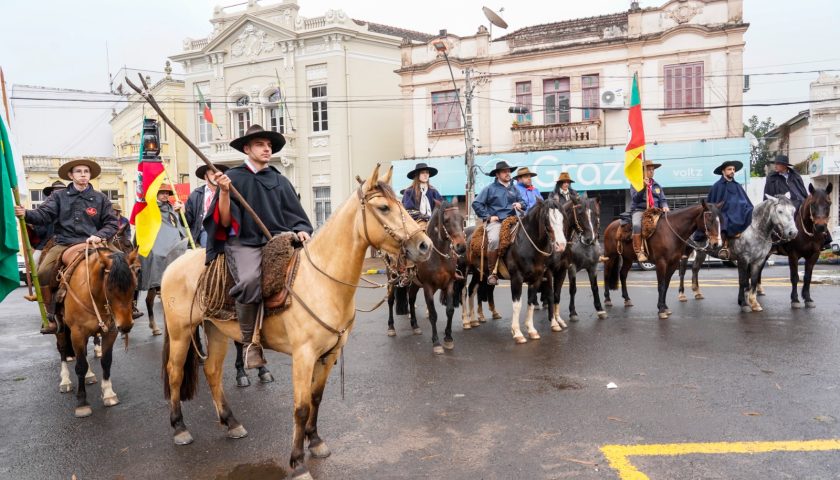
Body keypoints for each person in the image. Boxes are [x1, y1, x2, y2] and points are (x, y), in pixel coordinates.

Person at [204, 125, 313, 369]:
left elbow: (295, 214)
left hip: (279, 240)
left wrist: (301, 229)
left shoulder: (280, 180)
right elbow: (223, 222)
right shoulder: (234, 178)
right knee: (249, 280)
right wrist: (224, 192)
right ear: (247, 149)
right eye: (260, 144)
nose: (266, 149)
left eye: (269, 145)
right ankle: (250, 343)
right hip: (244, 241)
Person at [14, 159, 118, 334]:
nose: (83, 174)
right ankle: (51, 316)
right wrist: (26, 213)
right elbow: (43, 215)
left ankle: (128, 307)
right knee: (43, 273)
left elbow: (112, 223)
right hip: (64, 243)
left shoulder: (100, 198)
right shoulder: (58, 197)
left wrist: (99, 235)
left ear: (90, 175)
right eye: (78, 171)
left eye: (86, 171)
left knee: (126, 264)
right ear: (71, 175)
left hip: (95, 242)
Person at [472, 161, 524, 285]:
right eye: (504, 171)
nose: (508, 173)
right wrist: (488, 217)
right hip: (497, 222)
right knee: (494, 240)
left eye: (509, 171)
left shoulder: (514, 188)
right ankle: (492, 273)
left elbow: (523, 202)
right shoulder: (489, 189)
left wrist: (520, 204)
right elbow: (476, 203)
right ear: (497, 174)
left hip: (514, 220)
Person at [136, 184, 186, 294]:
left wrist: (181, 212)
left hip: (172, 236)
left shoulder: (172, 207)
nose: (165, 195)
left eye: (167, 193)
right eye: (162, 193)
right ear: (157, 194)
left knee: (182, 253)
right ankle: (157, 283)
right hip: (156, 236)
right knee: (156, 254)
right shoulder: (150, 207)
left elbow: (179, 223)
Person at [704, 160, 753, 260]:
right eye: (729, 169)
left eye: (733, 169)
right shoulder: (717, 186)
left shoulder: (737, 185)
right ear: (723, 171)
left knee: (752, 213)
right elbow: (711, 205)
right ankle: (724, 247)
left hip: (739, 212)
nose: (732, 171)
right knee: (725, 221)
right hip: (723, 213)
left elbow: (746, 201)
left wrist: (748, 208)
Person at [630, 159, 669, 262]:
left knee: (670, 222)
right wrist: (643, 187)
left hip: (656, 210)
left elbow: (663, 199)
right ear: (643, 171)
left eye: (652, 169)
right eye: (649, 169)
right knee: (636, 225)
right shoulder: (636, 184)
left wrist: (665, 206)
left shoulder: (657, 185)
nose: (651, 171)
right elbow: (635, 199)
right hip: (640, 210)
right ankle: (639, 252)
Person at [185, 163, 229, 248]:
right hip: (205, 230)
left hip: (225, 230)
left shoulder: (228, 192)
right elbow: (188, 221)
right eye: (212, 174)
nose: (216, 176)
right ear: (206, 177)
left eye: (219, 174)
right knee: (208, 243)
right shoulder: (195, 195)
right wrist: (182, 211)